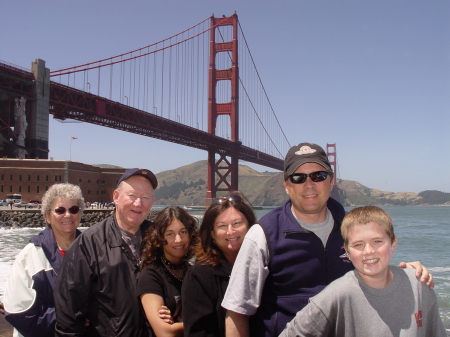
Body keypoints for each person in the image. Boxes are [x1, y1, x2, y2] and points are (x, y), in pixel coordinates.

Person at [222, 142, 434, 337]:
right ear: (287, 185)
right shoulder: (263, 234)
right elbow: (237, 310)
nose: (309, 184)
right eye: (298, 177)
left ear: (331, 181)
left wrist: (408, 274)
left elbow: (376, 266)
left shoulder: (352, 228)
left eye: (318, 176)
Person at [280, 206, 447, 336]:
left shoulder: (419, 284)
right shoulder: (337, 295)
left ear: (393, 244)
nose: (368, 251)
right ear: (347, 251)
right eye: (358, 244)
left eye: (377, 241)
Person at [54, 168, 158, 337]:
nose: (138, 204)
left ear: (152, 202)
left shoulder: (160, 239)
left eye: (145, 197)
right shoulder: (88, 245)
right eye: (132, 195)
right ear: (116, 197)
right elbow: (69, 318)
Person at [3, 183, 85, 337]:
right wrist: (70, 319)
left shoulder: (93, 251)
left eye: (73, 209)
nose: (67, 215)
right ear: (48, 216)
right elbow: (18, 311)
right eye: (60, 210)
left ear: (80, 214)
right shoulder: (30, 256)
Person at [182, 191, 256, 337]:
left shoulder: (267, 266)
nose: (230, 231)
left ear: (250, 227)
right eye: (222, 226)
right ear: (212, 234)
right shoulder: (199, 276)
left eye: (237, 223)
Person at [137, 206, 199, 337]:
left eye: (183, 232)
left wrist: (177, 325)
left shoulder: (194, 272)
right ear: (159, 238)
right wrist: (206, 322)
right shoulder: (150, 276)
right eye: (170, 234)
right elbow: (164, 332)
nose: (178, 240)